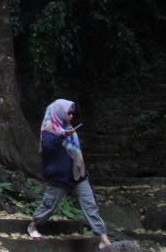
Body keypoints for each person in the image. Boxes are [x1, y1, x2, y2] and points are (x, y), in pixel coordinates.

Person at [27, 99, 112, 247]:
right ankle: (33, 225)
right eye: (69, 113)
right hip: (59, 176)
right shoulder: (49, 128)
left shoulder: (69, 128)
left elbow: (75, 152)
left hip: (78, 175)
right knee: (49, 205)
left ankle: (104, 240)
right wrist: (62, 136)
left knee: (90, 206)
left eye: (73, 113)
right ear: (60, 112)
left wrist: (67, 135)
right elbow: (47, 148)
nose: (71, 116)